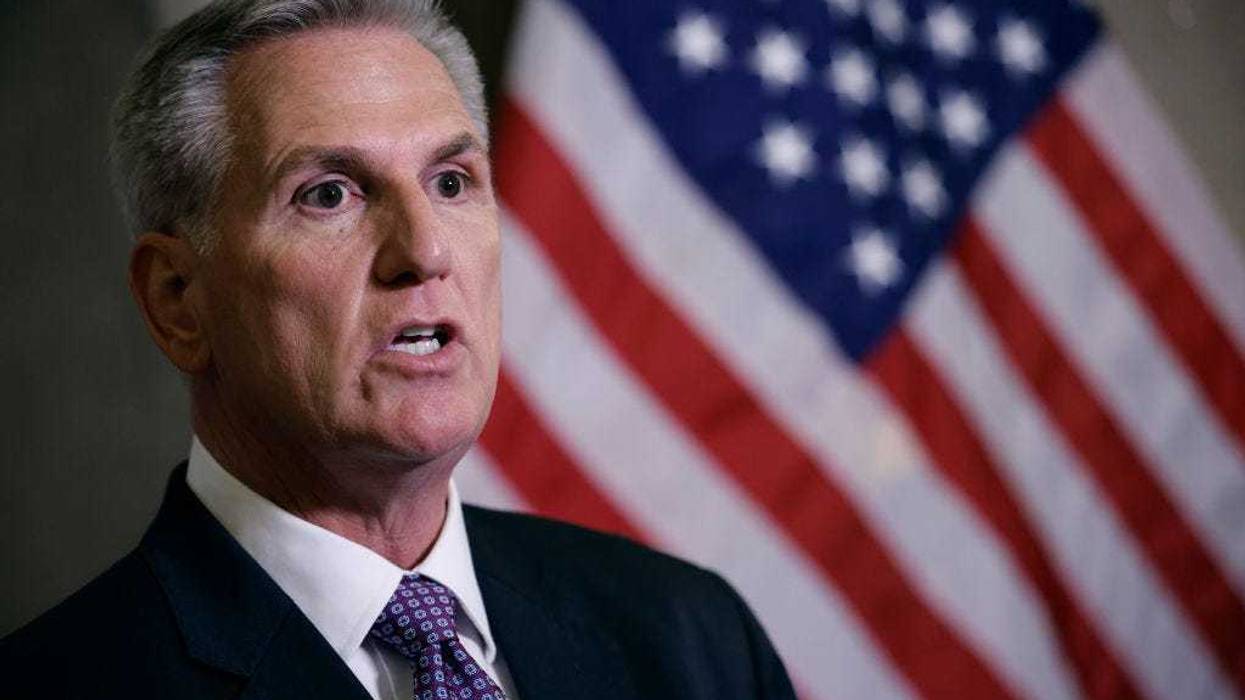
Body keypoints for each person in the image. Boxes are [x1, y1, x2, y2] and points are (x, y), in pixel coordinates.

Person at [0, 1, 796, 698]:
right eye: (328, 195)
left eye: (450, 181)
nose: (424, 250)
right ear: (178, 300)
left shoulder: (694, 641)